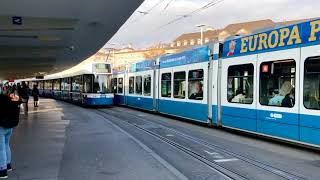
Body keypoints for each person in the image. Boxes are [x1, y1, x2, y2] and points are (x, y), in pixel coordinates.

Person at [0, 93, 21, 178]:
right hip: (10, 127)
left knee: (1, 149)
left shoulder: (1, 100)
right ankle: (8, 165)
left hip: (1, 127)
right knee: (6, 145)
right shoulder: (11, 102)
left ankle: (2, 171)